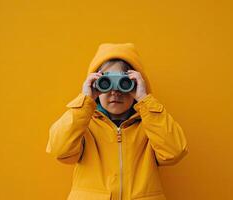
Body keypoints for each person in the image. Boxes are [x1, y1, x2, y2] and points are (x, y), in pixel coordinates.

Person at [46, 43, 188, 200]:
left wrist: (145, 99)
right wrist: (85, 101)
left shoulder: (150, 125)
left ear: (137, 83)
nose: (115, 91)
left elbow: (174, 152)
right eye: (106, 83)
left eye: (125, 83)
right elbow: (60, 150)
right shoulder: (84, 124)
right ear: (94, 83)